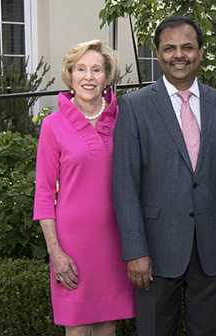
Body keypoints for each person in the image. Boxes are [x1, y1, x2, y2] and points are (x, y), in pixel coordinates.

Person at [111, 15, 216, 336]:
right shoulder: (134, 107)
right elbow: (125, 184)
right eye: (169, 48)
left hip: (212, 248)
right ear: (157, 53)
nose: (179, 54)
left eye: (187, 47)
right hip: (155, 251)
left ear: (200, 52)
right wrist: (135, 251)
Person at [33, 40, 135, 335]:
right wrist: (55, 252)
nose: (88, 77)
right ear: (70, 75)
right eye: (81, 69)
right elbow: (42, 194)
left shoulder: (125, 119)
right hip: (72, 245)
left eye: (96, 70)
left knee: (108, 327)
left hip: (116, 241)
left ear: (107, 77)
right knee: (77, 330)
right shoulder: (53, 125)